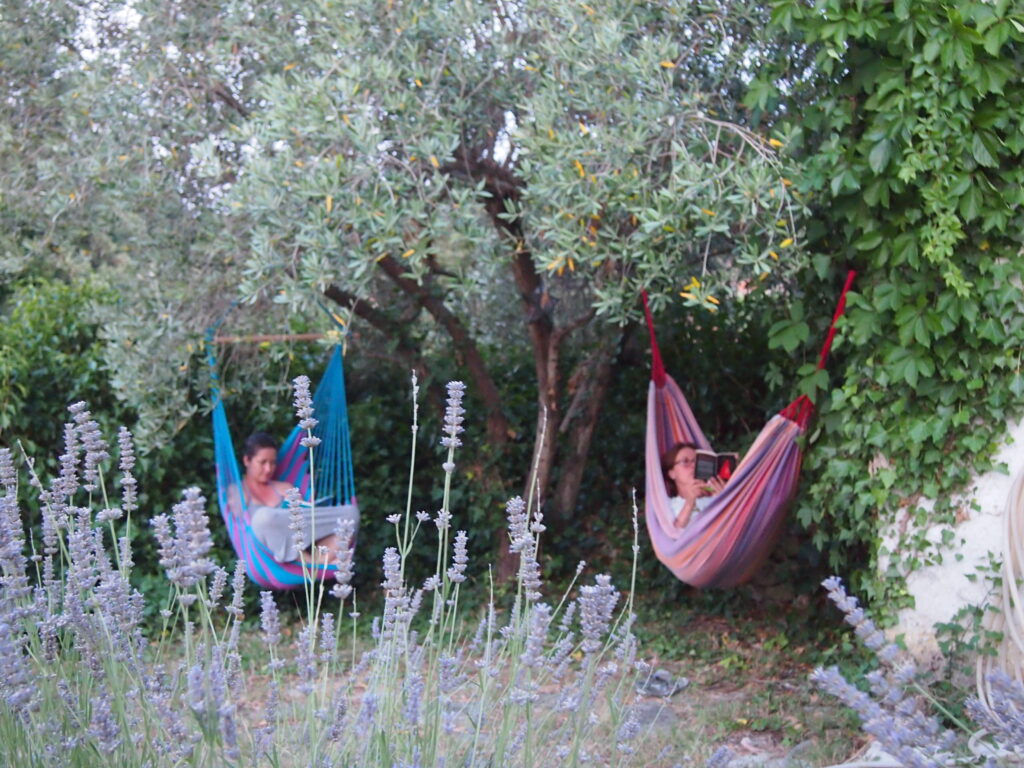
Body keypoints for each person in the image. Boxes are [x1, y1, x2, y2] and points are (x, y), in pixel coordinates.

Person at [236, 431, 358, 565]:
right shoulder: (237, 491)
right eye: (263, 462)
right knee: (263, 517)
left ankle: (323, 558)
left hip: (298, 537)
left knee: (350, 513)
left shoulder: (284, 487)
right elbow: (239, 525)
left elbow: (302, 518)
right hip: (263, 549)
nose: (268, 469)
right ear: (247, 460)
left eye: (272, 463)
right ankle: (315, 562)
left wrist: (310, 505)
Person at [661, 441, 727, 530]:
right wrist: (690, 502)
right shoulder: (667, 505)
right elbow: (672, 534)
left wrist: (724, 499)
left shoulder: (713, 499)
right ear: (672, 473)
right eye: (685, 461)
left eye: (697, 461)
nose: (694, 465)